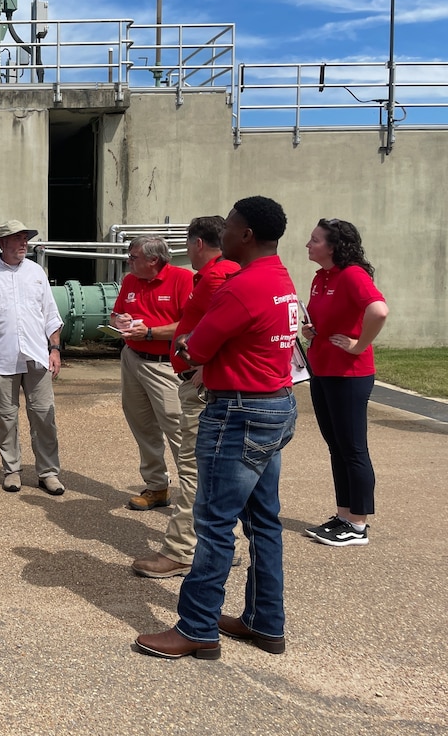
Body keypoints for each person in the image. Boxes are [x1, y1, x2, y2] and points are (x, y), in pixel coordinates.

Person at [135, 196, 298, 660]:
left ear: (245, 235)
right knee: (264, 522)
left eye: (229, 226)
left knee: (213, 525)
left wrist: (185, 341)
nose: (221, 233)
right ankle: (265, 622)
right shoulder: (280, 278)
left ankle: (197, 628)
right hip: (275, 406)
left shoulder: (240, 288)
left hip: (238, 413)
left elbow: (193, 352)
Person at [131, 217, 240, 578]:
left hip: (200, 384)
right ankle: (220, 545)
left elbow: (224, 328)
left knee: (193, 467)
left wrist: (203, 365)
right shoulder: (229, 273)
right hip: (204, 380)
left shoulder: (215, 277)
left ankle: (180, 551)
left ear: (196, 243)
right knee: (215, 469)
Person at [302, 218, 389, 547]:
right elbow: (325, 316)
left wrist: (359, 344)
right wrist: (312, 330)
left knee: (352, 448)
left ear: (333, 247)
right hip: (323, 369)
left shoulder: (353, 275)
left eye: (315, 240)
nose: (308, 245)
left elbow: (379, 311)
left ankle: (358, 524)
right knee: (336, 446)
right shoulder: (320, 278)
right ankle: (344, 515)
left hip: (350, 374)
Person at [0, 220, 65, 495]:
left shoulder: (36, 272)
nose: (24, 244)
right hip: (1, 358)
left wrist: (54, 349)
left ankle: (48, 473)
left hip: (36, 356)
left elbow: (51, 315)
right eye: (17, 239)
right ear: (2, 244)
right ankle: (12, 470)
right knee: (5, 417)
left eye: (25, 239)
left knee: (44, 415)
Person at [110, 235, 194, 510]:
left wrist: (149, 333)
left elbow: (189, 325)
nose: (128, 262)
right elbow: (116, 313)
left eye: (133, 257)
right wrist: (119, 320)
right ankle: (157, 486)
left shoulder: (183, 279)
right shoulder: (130, 280)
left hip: (164, 364)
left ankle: (194, 495)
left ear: (153, 260)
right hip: (132, 359)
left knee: (177, 428)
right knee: (142, 425)